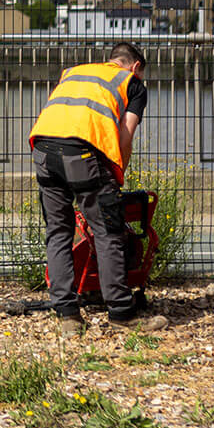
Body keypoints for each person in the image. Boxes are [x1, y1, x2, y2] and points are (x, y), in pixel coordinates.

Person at [29, 41, 165, 335]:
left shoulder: (74, 72)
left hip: (43, 148)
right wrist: (116, 180)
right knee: (108, 231)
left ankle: (67, 316)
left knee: (58, 230)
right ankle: (121, 314)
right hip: (83, 154)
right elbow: (124, 137)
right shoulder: (132, 82)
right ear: (136, 66)